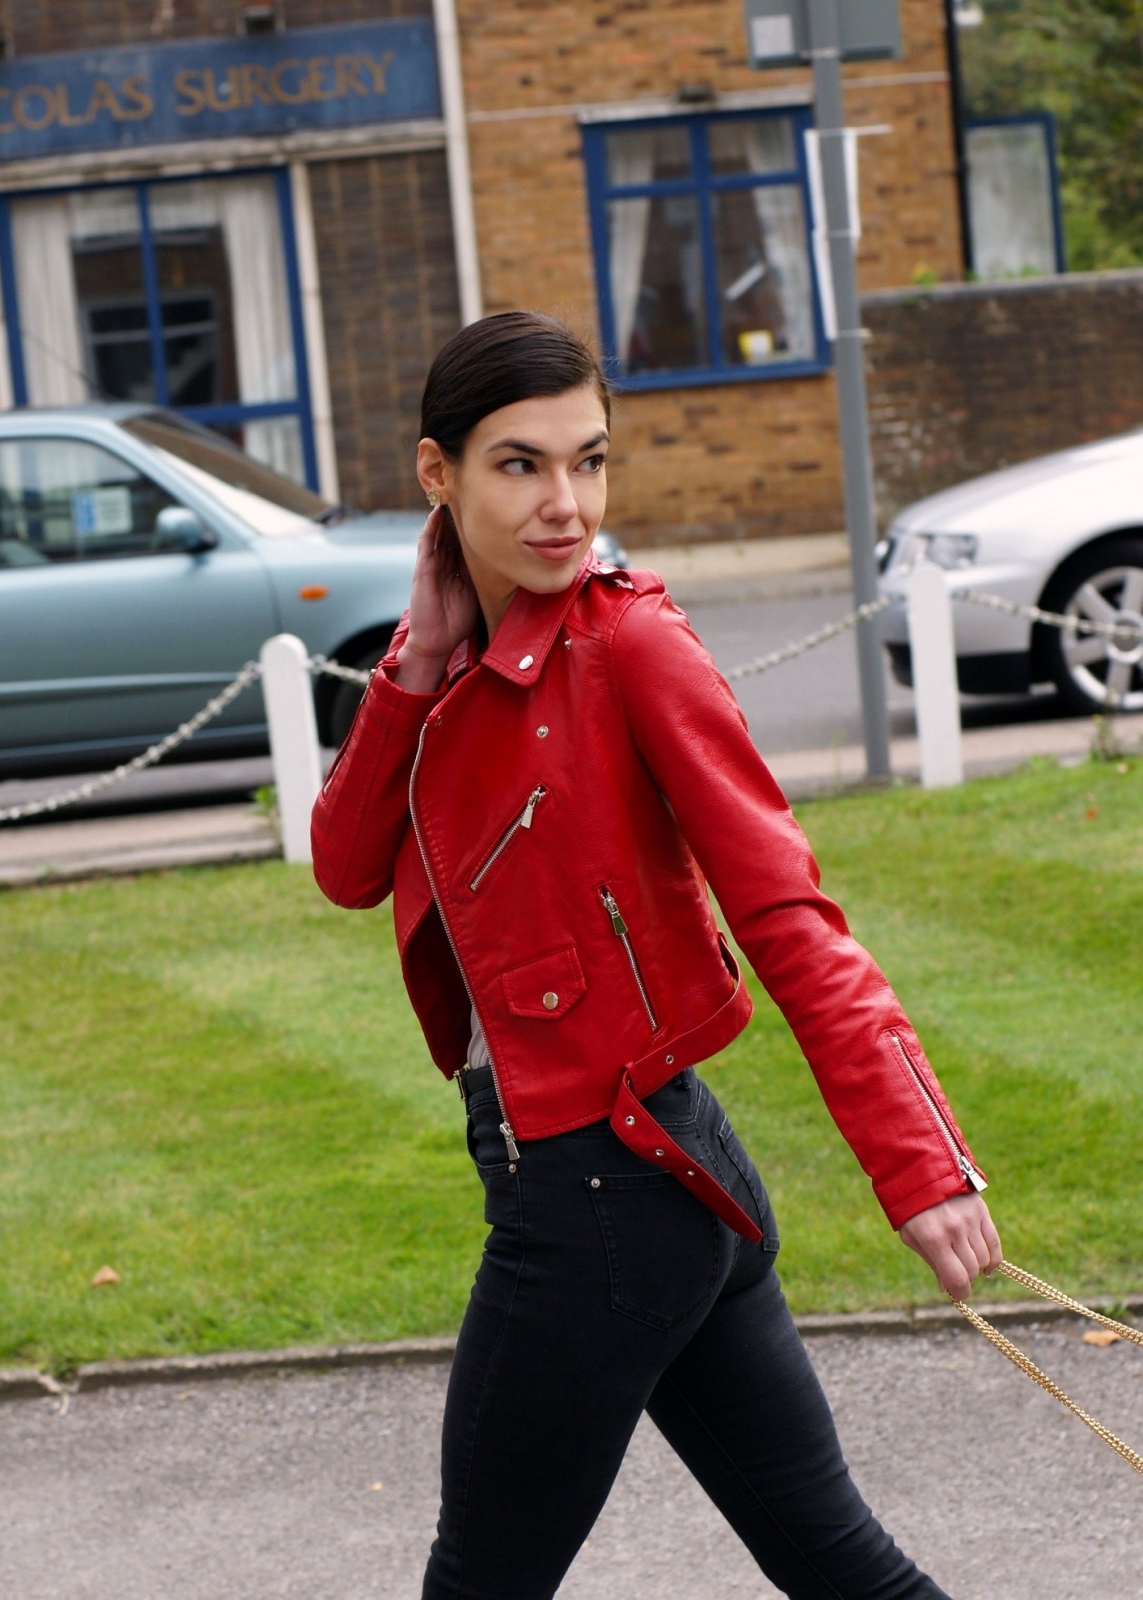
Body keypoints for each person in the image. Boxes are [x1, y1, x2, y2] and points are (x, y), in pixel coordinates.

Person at [311, 311, 1001, 1600]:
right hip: (660, 1182)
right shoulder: (450, 663)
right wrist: (413, 656)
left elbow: (791, 917)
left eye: (590, 460)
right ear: (436, 472)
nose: (565, 504)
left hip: (598, 1203)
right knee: (840, 1565)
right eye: (520, 464)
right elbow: (348, 867)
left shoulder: (630, 645)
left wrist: (922, 1165)